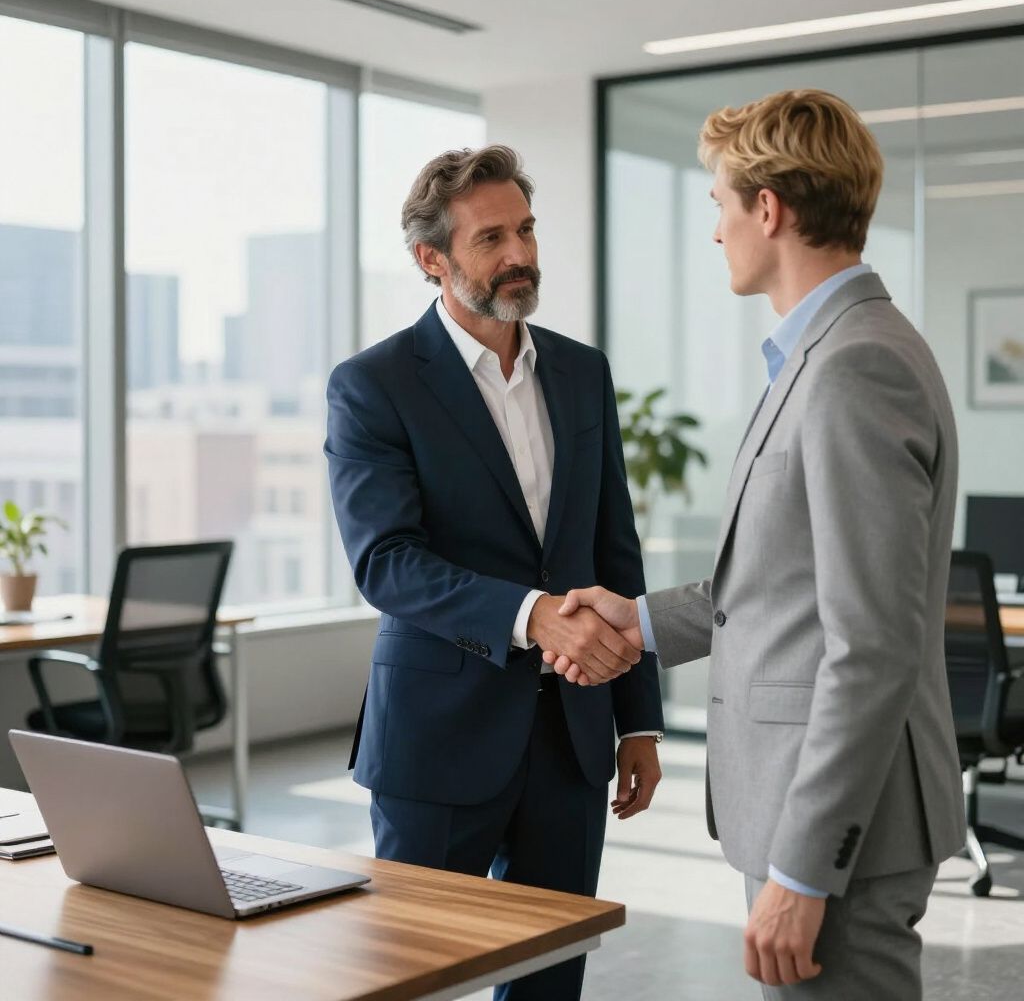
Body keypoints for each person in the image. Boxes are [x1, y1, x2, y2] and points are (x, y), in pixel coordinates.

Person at [546, 89, 965, 1000]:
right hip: (810, 799)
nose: (716, 232)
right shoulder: (827, 356)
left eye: (720, 206)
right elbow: (783, 586)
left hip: (839, 825)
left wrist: (807, 869)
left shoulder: (856, 366)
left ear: (767, 209)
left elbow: (873, 645)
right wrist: (639, 619)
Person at [325, 145, 664, 1001]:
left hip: (572, 737)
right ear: (431, 260)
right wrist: (534, 614)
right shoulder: (374, 385)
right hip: (438, 736)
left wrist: (640, 723)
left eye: (525, 229)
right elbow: (386, 562)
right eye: (491, 239)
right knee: (409, 974)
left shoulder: (583, 373)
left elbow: (613, 551)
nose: (520, 254)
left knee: (550, 979)